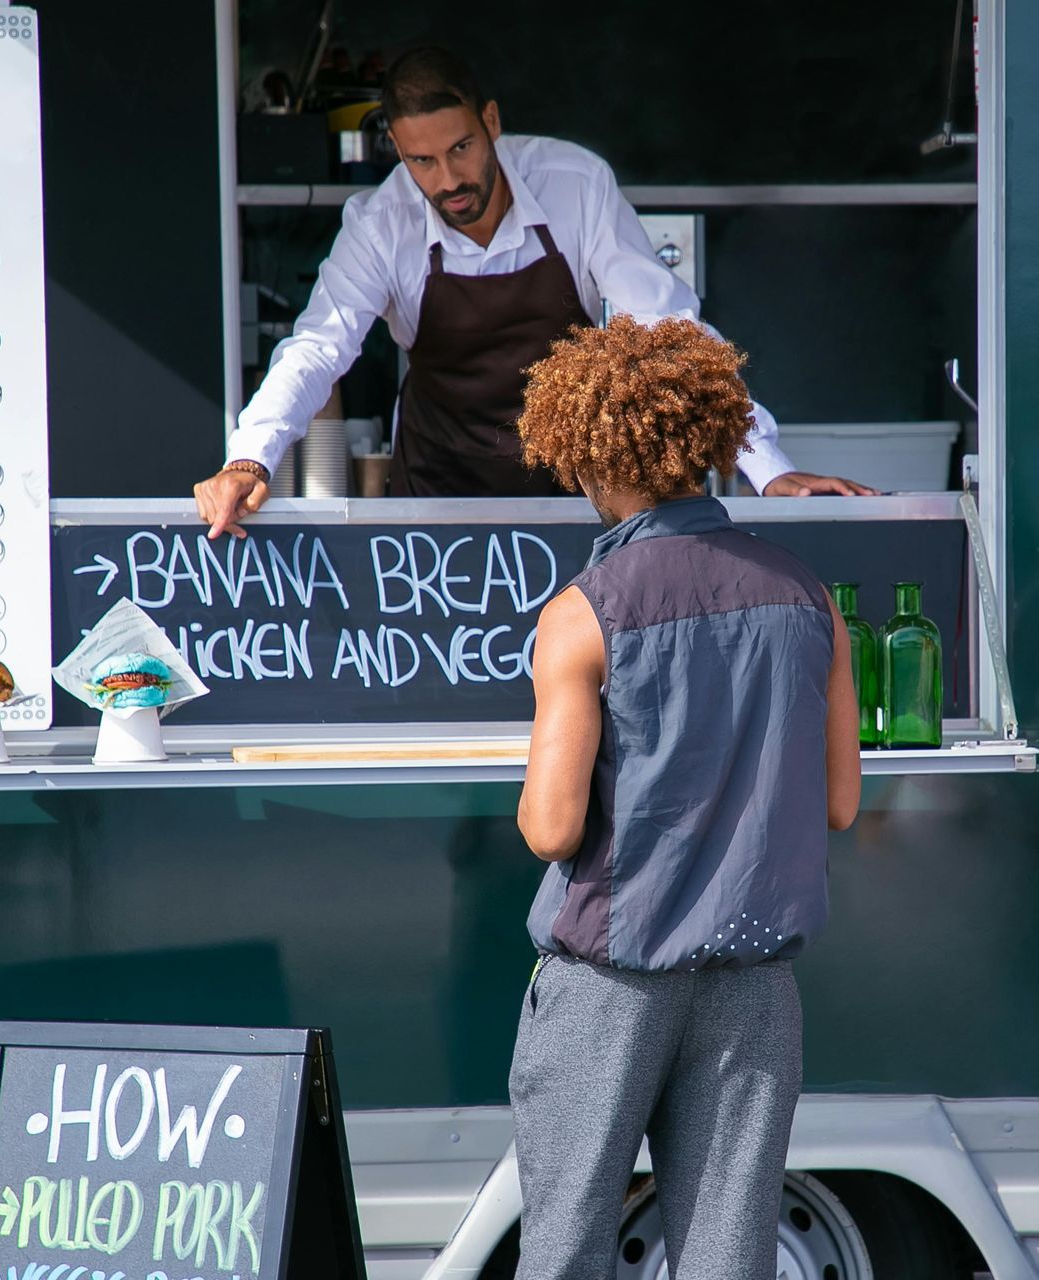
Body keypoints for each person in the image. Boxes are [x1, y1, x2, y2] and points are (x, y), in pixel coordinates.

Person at [508, 315, 861, 1278]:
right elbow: (839, 803)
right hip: (753, 984)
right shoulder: (806, 595)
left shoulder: (582, 615)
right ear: (707, 443)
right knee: (725, 1257)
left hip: (613, 982)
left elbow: (552, 827)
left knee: (567, 1250)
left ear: (584, 452)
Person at [194, 46, 869, 532]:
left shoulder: (574, 184)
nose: (446, 178)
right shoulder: (380, 224)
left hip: (572, 491)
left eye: (459, 148)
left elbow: (670, 332)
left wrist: (767, 466)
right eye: (420, 160)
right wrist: (249, 458)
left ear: (491, 121)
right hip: (436, 490)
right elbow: (317, 348)